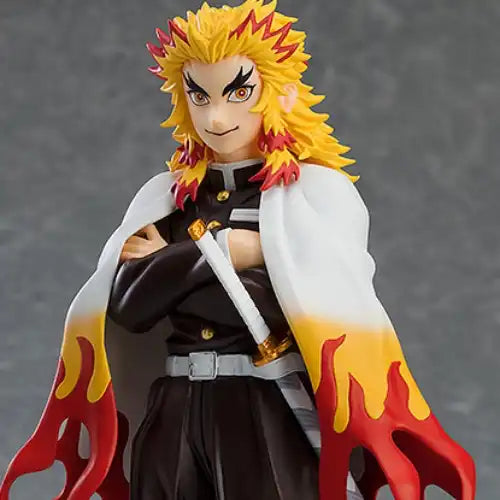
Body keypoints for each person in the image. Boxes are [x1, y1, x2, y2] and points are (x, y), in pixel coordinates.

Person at [0, 1, 475, 499]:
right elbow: (130, 306)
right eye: (199, 96)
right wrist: (233, 249)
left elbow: (301, 305)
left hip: (264, 403)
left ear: (281, 92)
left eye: (239, 92)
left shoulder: (314, 195)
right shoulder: (167, 199)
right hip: (175, 405)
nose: (216, 115)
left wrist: (171, 268)